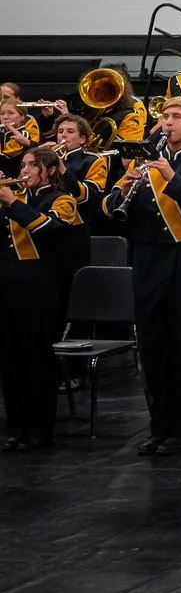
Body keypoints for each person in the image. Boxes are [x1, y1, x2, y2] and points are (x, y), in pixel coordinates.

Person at [105, 98, 181, 455]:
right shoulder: (142, 163)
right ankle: (159, 427)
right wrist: (125, 185)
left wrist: (170, 176)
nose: (167, 123)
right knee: (153, 347)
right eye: (164, 117)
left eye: (175, 117)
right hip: (146, 258)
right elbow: (109, 212)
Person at [0, 146, 77, 449]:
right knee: (9, 357)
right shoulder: (16, 198)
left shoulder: (61, 199)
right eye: (23, 165)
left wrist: (11, 203)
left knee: (36, 358)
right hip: (6, 283)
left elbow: (48, 228)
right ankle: (16, 426)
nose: (25, 170)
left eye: (33, 165)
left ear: (50, 170)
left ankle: (40, 429)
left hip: (39, 284)